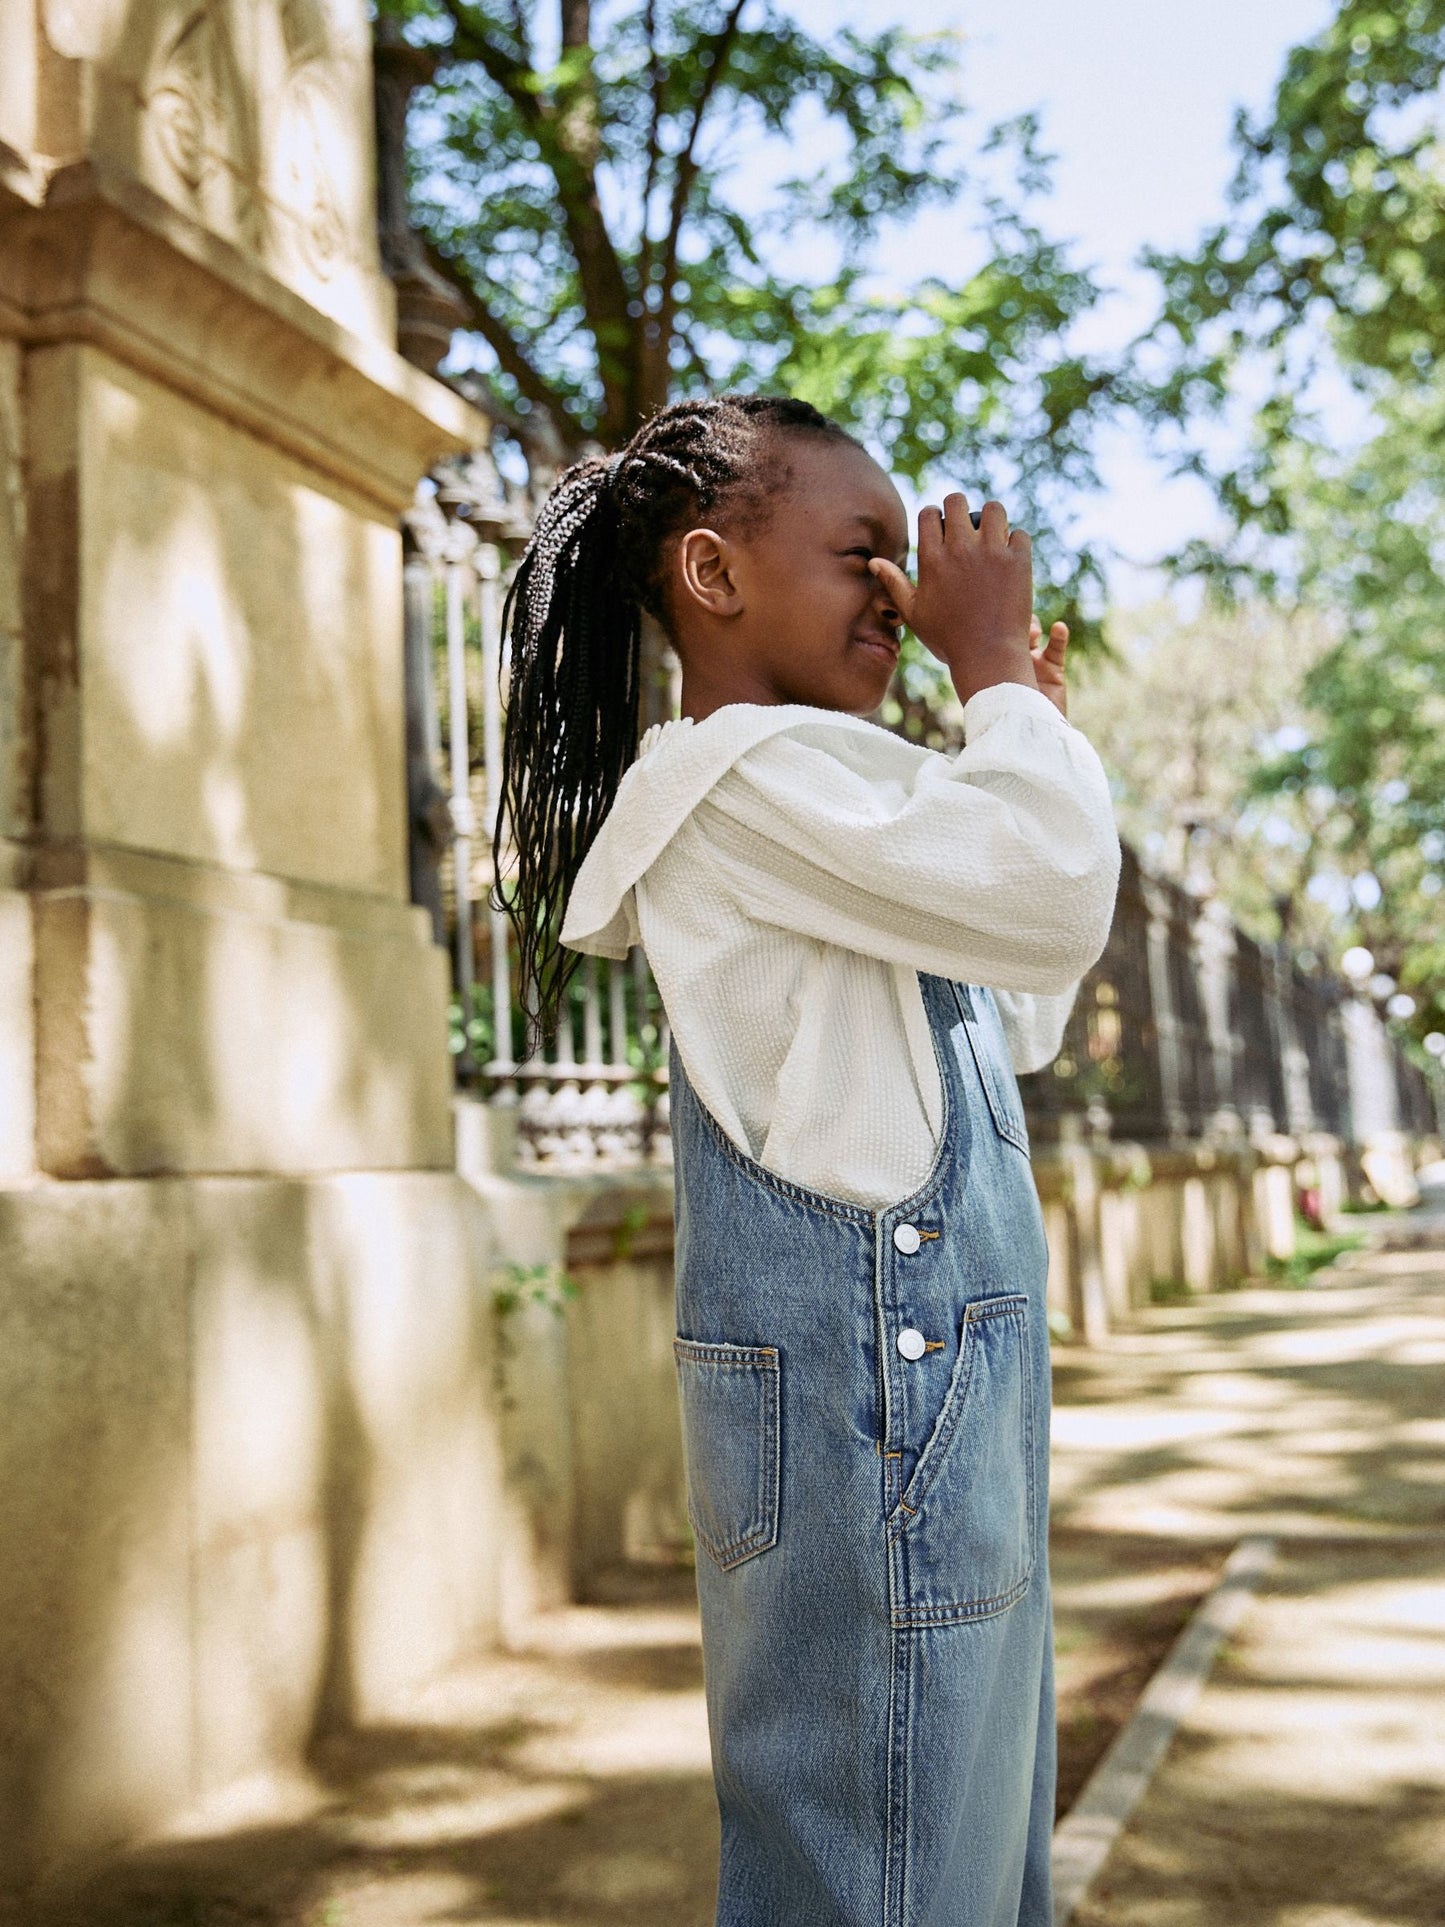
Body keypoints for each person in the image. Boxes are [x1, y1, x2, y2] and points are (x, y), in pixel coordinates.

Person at [494, 394, 1121, 1927]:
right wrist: (991, 686)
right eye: (862, 556)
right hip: (875, 1427)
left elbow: (1025, 1000)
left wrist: (1021, 723)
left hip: (928, 1423)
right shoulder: (733, 783)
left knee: (952, 1854)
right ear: (711, 577)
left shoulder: (826, 789)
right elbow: (1047, 901)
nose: (902, 598)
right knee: (875, 1858)